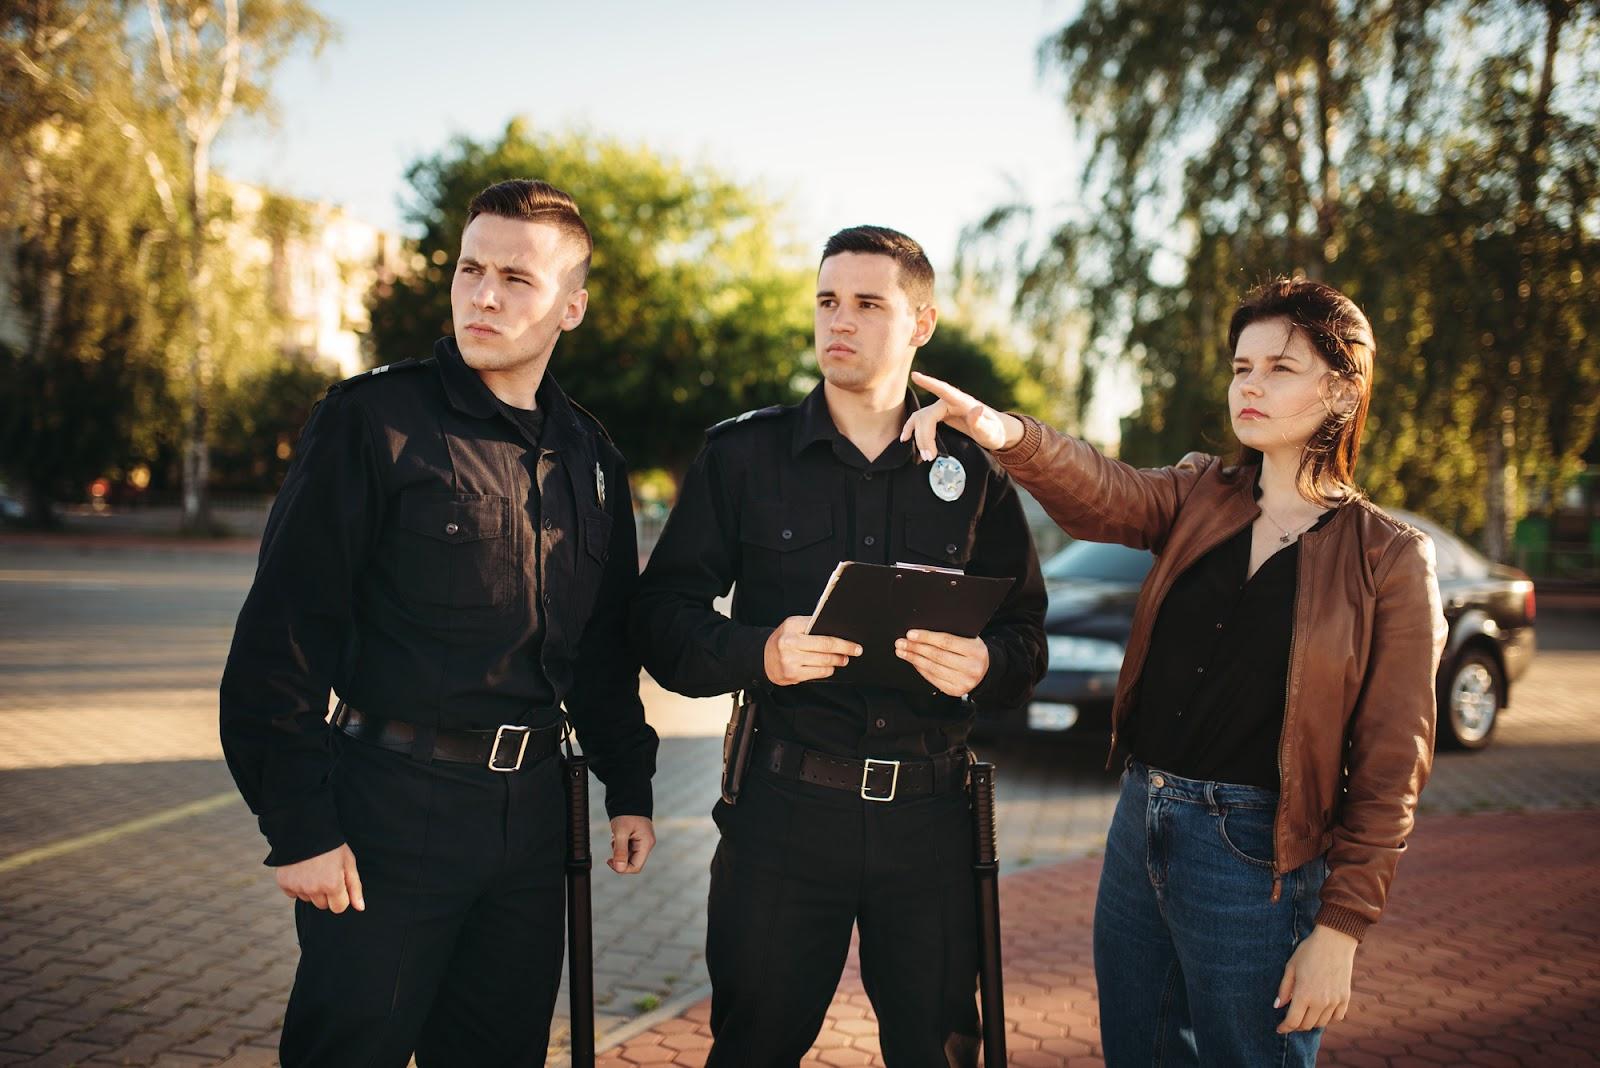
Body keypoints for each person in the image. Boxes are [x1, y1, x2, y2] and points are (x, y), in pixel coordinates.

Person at [901, 276, 1445, 1067]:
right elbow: (1102, 493)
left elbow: (1396, 764)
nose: (1249, 385)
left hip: (1258, 857)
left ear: (1342, 390)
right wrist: (999, 431)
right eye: (1240, 367)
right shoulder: (1201, 493)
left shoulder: (1389, 558)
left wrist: (1341, 929)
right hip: (1140, 823)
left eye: (1279, 368)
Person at [219, 179, 659, 1067]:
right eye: (470, 269)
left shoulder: (592, 457)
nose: (484, 296)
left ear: (571, 307)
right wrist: (299, 828)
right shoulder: (373, 421)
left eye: (517, 279)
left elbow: (602, 646)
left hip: (533, 819)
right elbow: (282, 637)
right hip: (390, 809)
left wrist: (631, 783)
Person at [630, 225, 1048, 1067]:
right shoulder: (743, 456)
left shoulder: (973, 466)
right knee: (752, 1049)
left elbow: (1026, 636)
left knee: (939, 1053)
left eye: (867, 303)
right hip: (784, 817)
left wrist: (987, 665)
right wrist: (759, 652)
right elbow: (660, 620)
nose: (839, 322)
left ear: (921, 322)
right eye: (827, 301)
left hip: (932, 823)